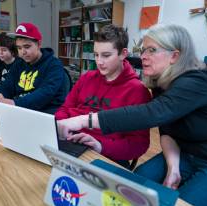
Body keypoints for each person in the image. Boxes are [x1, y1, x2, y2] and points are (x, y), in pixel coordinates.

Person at [57, 24, 207, 206]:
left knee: (181, 202)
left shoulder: (196, 81)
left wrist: (83, 120)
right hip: (186, 153)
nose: (143, 56)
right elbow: (167, 131)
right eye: (143, 50)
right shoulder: (162, 84)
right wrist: (173, 167)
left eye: (152, 50)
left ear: (174, 56)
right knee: (136, 183)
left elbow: (153, 113)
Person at [55, 24, 151, 168]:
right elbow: (65, 108)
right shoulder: (86, 78)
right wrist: (61, 126)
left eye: (106, 55)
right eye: (96, 54)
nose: (99, 62)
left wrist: (100, 145)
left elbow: (138, 144)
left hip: (105, 152)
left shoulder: (138, 91)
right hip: (71, 140)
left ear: (123, 54)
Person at [0, 22, 67, 113]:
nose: (22, 52)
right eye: (19, 48)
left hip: (45, 112)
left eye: (27, 47)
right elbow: (7, 84)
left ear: (39, 44)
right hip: (21, 110)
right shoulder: (19, 63)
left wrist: (15, 103)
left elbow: (45, 93)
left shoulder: (54, 64)